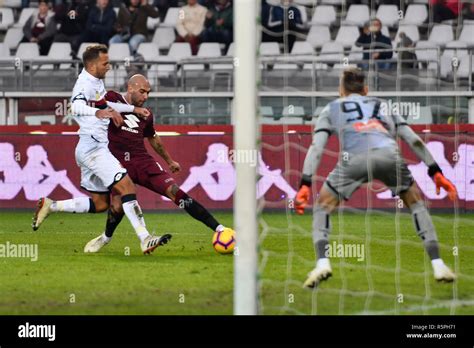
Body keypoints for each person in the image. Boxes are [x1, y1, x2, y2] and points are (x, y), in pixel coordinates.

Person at [294, 68, 458, 288]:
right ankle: (438, 265)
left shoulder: (331, 108)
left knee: (322, 206)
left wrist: (305, 183)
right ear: (366, 90)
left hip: (354, 159)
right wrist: (435, 171)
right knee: (416, 204)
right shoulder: (385, 105)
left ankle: (323, 263)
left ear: (340, 91)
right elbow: (413, 139)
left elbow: (317, 147)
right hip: (389, 156)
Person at [32, 44, 171, 255]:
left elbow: (106, 104)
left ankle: (51, 205)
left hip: (88, 148)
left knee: (100, 204)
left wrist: (133, 109)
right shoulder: (84, 83)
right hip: (94, 148)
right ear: (93, 64)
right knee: (127, 188)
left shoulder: (96, 83)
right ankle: (145, 238)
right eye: (105, 63)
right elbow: (75, 106)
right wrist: (98, 114)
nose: (109, 67)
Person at [83, 74, 234, 253]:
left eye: (148, 93)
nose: (145, 97)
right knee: (116, 206)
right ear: (130, 88)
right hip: (117, 163)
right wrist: (131, 109)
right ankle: (105, 238)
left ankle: (219, 228)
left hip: (143, 162)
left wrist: (169, 161)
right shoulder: (112, 98)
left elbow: (153, 138)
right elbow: (95, 104)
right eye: (142, 92)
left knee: (176, 193)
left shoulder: (147, 115)